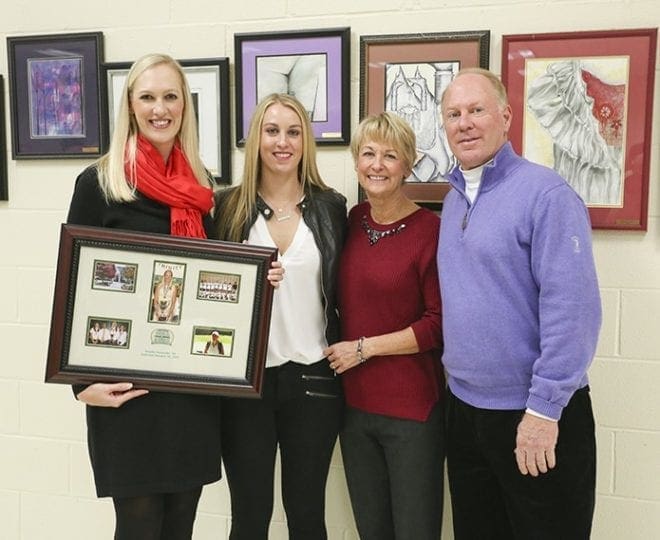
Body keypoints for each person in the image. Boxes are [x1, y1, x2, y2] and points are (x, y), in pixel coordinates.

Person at [437, 67, 602, 539]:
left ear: (505, 117)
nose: (464, 122)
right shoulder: (452, 201)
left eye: (476, 110)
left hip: (534, 415)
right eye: (453, 114)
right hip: (466, 412)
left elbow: (573, 312)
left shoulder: (546, 195)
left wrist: (544, 411)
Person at [65, 53, 222, 540]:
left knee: (181, 524)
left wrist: (259, 284)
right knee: (138, 526)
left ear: (184, 106)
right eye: (148, 97)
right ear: (130, 106)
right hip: (125, 392)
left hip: (189, 388)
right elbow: (71, 285)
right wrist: (80, 384)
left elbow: (212, 288)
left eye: (170, 96)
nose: (160, 108)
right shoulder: (100, 183)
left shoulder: (202, 187)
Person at [214, 93, 347, 540]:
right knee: (249, 516)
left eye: (294, 132)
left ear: (306, 141)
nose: (282, 142)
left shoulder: (332, 208)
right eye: (272, 131)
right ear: (256, 139)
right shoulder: (227, 208)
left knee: (307, 515)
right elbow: (211, 293)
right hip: (246, 382)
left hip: (313, 380)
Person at [324, 112, 444, 540]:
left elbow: (436, 324)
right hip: (355, 412)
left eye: (390, 156)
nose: (377, 164)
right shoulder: (351, 221)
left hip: (413, 413)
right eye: (368, 153)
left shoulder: (431, 229)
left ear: (408, 165)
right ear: (356, 160)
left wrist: (364, 348)